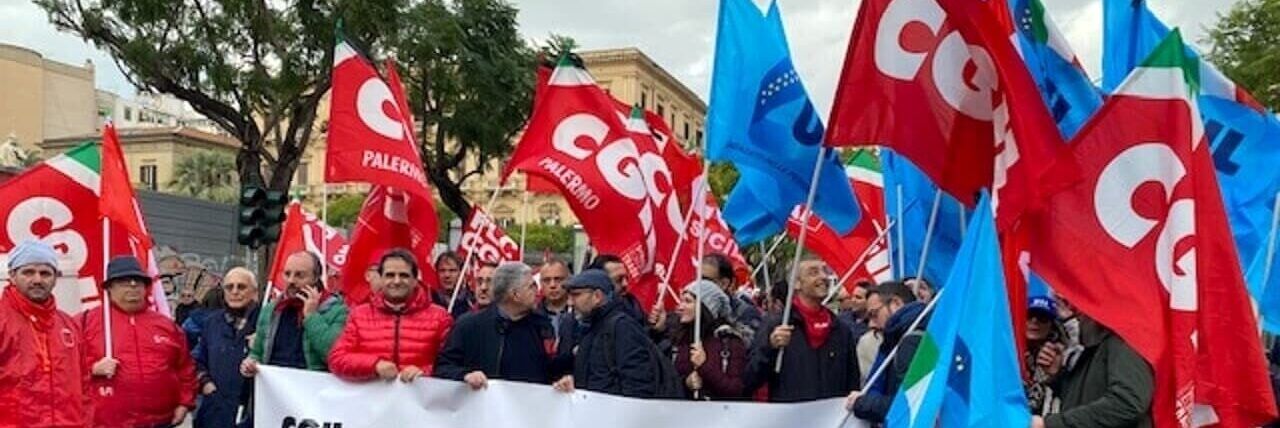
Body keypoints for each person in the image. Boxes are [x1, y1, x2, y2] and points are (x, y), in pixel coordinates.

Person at [79, 255, 198, 428]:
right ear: (109, 288)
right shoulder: (85, 323)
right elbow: (63, 369)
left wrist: (185, 403)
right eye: (124, 281)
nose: (133, 285)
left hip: (160, 422)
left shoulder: (167, 325)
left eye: (138, 281)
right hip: (105, 423)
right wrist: (92, 368)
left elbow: (185, 368)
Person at [0, 240, 93, 427]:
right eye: (28, 272)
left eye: (45, 273)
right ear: (12, 275)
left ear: (55, 278)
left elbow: (84, 387)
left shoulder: (69, 325)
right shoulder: (2, 320)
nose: (37, 280)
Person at [745, 258, 861, 402]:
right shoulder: (777, 326)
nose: (823, 277)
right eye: (813, 272)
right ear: (796, 284)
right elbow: (750, 379)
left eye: (825, 271)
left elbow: (853, 384)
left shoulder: (841, 330)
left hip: (831, 414)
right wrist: (770, 347)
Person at [329, 249, 453, 382]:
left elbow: (452, 363)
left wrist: (424, 371)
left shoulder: (440, 317)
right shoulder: (359, 316)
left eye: (404, 275)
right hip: (373, 395)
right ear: (381, 278)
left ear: (415, 279)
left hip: (422, 394)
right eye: (390, 275)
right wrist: (374, 365)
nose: (397, 281)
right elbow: (337, 359)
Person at [435, 262, 556, 388]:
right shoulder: (468, 326)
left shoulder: (542, 325)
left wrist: (561, 379)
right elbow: (443, 368)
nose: (538, 291)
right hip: (483, 399)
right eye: (531, 286)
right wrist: (465, 375)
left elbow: (553, 369)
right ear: (515, 295)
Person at [552, 269, 665, 398]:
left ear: (597, 296)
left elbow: (638, 384)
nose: (570, 302)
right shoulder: (591, 327)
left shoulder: (622, 327)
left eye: (576, 295)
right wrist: (575, 385)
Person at [1033, 314, 1154, 428]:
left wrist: (1051, 424)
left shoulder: (1122, 342)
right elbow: (1087, 396)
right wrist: (1058, 377)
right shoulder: (1095, 348)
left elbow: (1128, 403)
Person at [241, 251, 348, 376]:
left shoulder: (338, 310)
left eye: (299, 275)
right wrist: (250, 363)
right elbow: (257, 353)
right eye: (287, 274)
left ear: (316, 278)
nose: (291, 280)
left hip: (314, 386)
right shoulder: (272, 309)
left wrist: (311, 317)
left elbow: (334, 354)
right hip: (276, 386)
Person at [846, 280, 926, 421]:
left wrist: (862, 403)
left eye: (874, 314)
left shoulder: (912, 341)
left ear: (896, 304)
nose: (871, 324)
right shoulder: (898, 339)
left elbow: (911, 404)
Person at [191, 267, 260, 428]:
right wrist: (205, 384)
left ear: (254, 292)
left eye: (241, 287)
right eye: (229, 287)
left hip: (252, 415)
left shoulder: (266, 323)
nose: (235, 292)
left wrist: (261, 347)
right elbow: (197, 360)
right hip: (214, 414)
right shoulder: (211, 323)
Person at [671, 280, 749, 400]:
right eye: (682, 301)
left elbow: (736, 390)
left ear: (706, 307)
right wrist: (686, 383)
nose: (680, 307)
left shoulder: (730, 342)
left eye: (688, 301)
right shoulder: (680, 338)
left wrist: (704, 366)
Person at [704, 253, 762, 341]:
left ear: (724, 283)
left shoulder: (745, 313)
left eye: (705, 280)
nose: (699, 284)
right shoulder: (692, 309)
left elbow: (751, 344)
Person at [1024, 296, 1067, 416]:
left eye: (1042, 317)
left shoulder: (1059, 356)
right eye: (1029, 315)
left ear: (1052, 326)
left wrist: (1055, 376)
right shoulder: (1008, 352)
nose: (1034, 321)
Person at [589, 254, 644, 322]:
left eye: (626, 278)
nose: (625, 284)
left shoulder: (633, 305)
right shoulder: (587, 316)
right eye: (619, 279)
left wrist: (653, 326)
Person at [535, 259, 571, 336]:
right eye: (547, 280)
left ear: (568, 280)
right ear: (540, 283)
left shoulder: (580, 313)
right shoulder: (532, 316)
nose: (552, 285)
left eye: (558, 279)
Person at [432, 251, 472, 319]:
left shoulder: (472, 302)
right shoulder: (430, 301)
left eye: (452, 270)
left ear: (462, 273)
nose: (447, 275)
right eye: (442, 270)